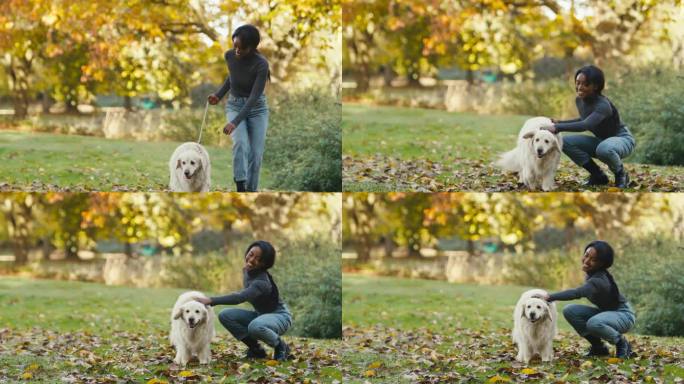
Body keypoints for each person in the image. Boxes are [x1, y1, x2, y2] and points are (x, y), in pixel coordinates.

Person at [535, 241, 635, 359]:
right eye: (586, 255)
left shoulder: (598, 280)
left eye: (594, 260)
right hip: (609, 313)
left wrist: (549, 297)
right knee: (570, 310)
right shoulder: (592, 273)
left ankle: (622, 343)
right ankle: (599, 347)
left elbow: (577, 293)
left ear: (602, 264)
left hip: (624, 315)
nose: (587, 261)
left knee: (594, 323)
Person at [195, 241, 292, 360]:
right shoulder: (247, 270)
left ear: (264, 264)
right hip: (260, 314)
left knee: (255, 327)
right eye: (251, 254)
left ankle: (281, 346)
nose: (251, 260)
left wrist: (211, 300)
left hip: (280, 316)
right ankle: (256, 349)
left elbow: (240, 297)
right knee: (225, 315)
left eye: (258, 259)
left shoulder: (262, 282)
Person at [542, 65, 635, 188]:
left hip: (622, 139)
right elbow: (584, 119)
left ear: (595, 86)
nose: (579, 87)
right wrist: (559, 122)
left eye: (585, 84)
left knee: (604, 149)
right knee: (564, 142)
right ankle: (598, 175)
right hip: (602, 141)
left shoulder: (603, 105)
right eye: (578, 83)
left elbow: (585, 125)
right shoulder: (580, 100)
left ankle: (621, 174)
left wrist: (557, 127)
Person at [208, 24, 270, 192]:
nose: (236, 50)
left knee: (256, 155)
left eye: (241, 48)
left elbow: (253, 97)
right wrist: (218, 95)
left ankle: (251, 190)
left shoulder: (261, 64)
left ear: (252, 47)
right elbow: (232, 78)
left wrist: (234, 123)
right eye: (235, 45)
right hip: (234, 105)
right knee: (240, 143)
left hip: (257, 109)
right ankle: (240, 186)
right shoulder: (229, 56)